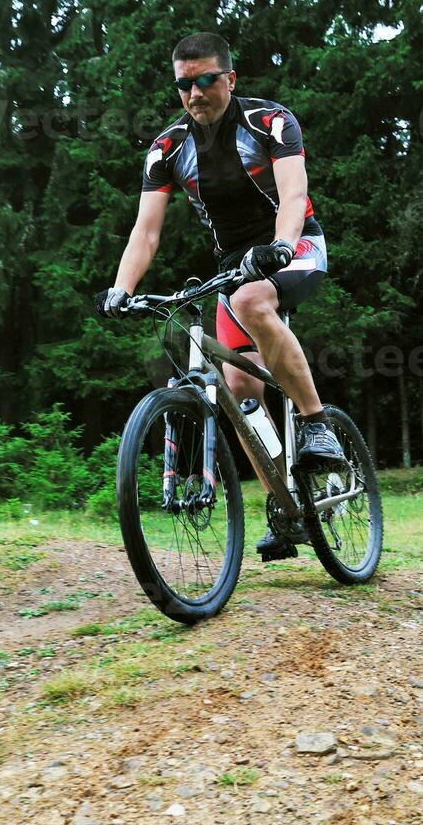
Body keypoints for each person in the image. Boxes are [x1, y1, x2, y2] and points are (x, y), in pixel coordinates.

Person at [96, 31, 344, 555]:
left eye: (206, 80)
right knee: (239, 389)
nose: (195, 93)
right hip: (234, 268)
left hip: (296, 245)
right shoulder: (167, 148)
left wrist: (280, 244)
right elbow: (146, 231)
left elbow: (294, 193)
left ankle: (316, 424)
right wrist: (122, 289)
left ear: (230, 79)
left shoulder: (270, 122)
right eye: (185, 84)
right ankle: (284, 507)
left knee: (254, 301)